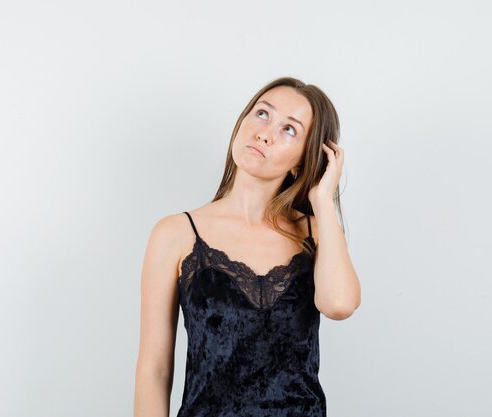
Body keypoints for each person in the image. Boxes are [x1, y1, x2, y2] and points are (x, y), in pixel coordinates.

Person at [134, 76, 361, 417]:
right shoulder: (176, 233)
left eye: (289, 130)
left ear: (303, 158)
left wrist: (323, 202)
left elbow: (340, 305)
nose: (264, 132)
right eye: (262, 114)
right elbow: (154, 369)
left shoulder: (317, 231)